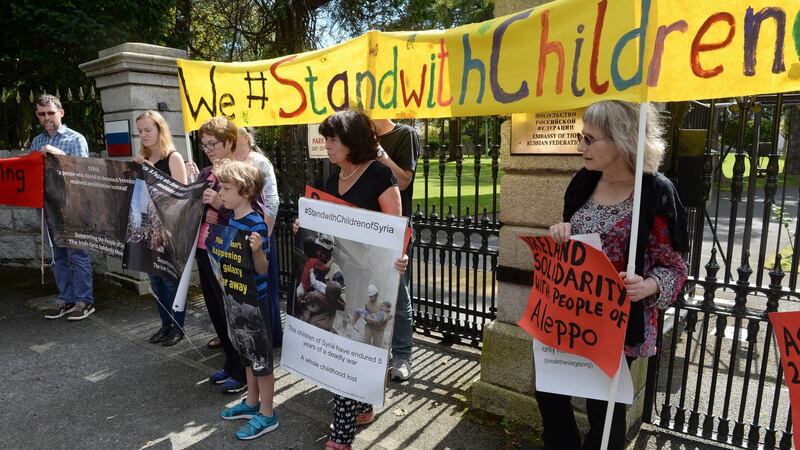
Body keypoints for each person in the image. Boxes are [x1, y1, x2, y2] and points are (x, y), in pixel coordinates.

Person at [538, 101, 688, 450]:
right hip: (570, 317)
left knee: (605, 411)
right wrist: (562, 232)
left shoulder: (655, 192)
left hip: (618, 326)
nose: (580, 147)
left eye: (589, 139)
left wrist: (648, 285)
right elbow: (575, 241)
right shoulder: (582, 181)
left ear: (621, 139)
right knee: (550, 392)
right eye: (581, 137)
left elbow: (676, 269)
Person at [318, 110, 408, 450]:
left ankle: (341, 436)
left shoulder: (379, 176)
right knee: (344, 345)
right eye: (325, 138)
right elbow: (328, 230)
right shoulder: (331, 180)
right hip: (342, 279)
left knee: (352, 344)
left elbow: (395, 230)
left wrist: (400, 258)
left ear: (351, 142)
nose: (326, 145)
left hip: (371, 280)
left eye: (332, 139)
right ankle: (363, 405)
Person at [212, 159, 279, 440]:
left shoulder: (255, 223)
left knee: (261, 360)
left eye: (226, 189)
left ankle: (267, 413)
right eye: (221, 188)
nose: (221, 194)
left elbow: (263, 269)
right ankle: (251, 403)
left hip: (256, 303)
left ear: (245, 191)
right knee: (248, 356)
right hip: (235, 299)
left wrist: (258, 250)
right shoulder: (230, 219)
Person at [203, 126, 284, 349]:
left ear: (246, 138)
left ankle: (270, 337)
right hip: (236, 237)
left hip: (257, 234)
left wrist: (261, 236)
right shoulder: (225, 165)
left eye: (235, 136)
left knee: (263, 289)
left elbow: (272, 200)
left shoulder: (259, 162)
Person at [188, 116, 248, 394]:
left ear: (228, 143)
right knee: (216, 311)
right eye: (204, 144)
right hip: (203, 248)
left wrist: (220, 208)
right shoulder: (204, 174)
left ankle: (242, 370)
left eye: (213, 144)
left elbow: (252, 214)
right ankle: (230, 361)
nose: (208, 149)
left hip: (227, 252)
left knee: (233, 313)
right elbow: (195, 211)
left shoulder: (241, 173)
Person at [34, 94, 95, 321]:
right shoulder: (36, 141)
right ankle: (66, 299)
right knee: (57, 255)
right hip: (47, 206)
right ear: (37, 115)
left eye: (51, 112)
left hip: (71, 205)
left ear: (61, 112)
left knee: (77, 254)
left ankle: (84, 302)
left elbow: (82, 172)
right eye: (42, 113)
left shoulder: (75, 139)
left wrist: (56, 152)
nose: (47, 117)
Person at [132, 110, 189, 346]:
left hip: (168, 229)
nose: (143, 135)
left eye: (148, 130)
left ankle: (178, 327)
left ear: (160, 130)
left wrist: (150, 171)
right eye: (140, 131)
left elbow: (182, 196)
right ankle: (165, 324)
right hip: (146, 228)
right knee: (155, 281)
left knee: (169, 280)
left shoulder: (172, 158)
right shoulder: (141, 157)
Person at [372, 119, 420, 381]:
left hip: (395, 229)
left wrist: (379, 152)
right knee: (372, 293)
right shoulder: (360, 132)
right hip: (367, 227)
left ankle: (402, 356)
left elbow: (403, 182)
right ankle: (378, 351)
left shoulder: (405, 135)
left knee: (399, 294)